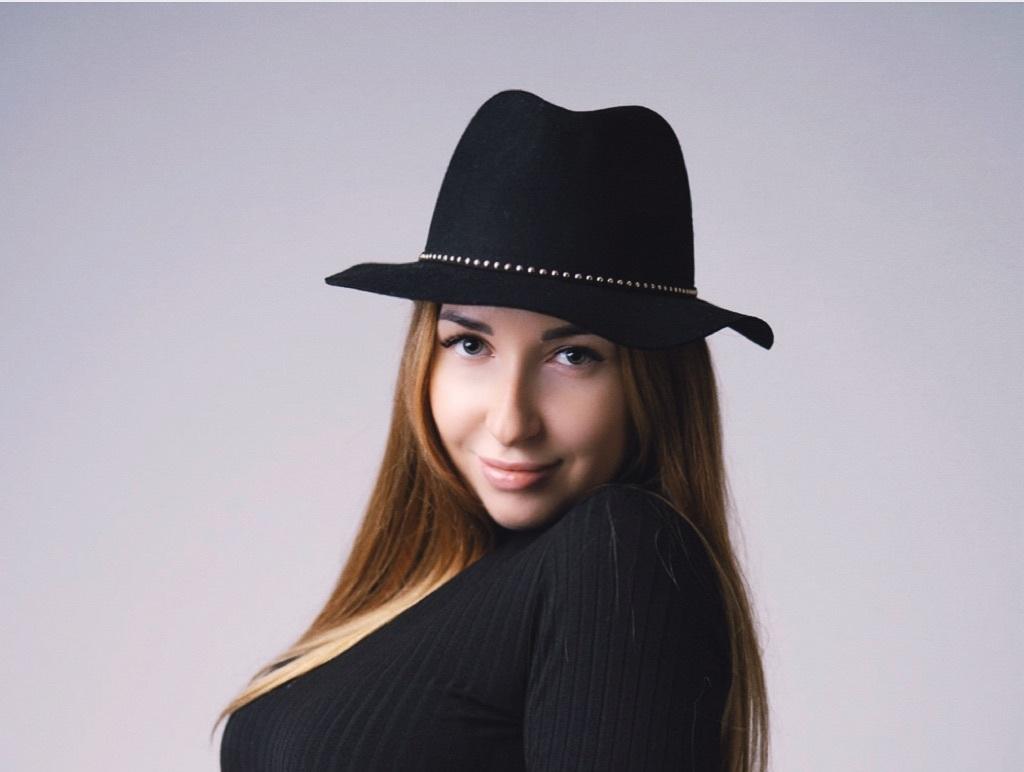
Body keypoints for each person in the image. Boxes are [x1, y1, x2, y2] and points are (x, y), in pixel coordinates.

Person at [215, 89, 773, 771]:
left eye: (575, 356)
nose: (511, 421)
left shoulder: (619, 550)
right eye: (471, 345)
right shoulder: (427, 590)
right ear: (424, 358)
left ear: (653, 384)